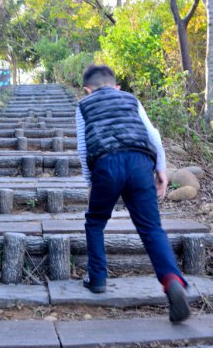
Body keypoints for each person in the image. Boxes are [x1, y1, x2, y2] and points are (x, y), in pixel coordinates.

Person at [76, 64, 190, 323]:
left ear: (87, 90)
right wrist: (161, 169)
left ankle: (97, 279)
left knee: (95, 222)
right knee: (151, 229)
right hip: (140, 163)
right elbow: (154, 135)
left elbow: (83, 147)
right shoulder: (131, 99)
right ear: (117, 86)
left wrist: (90, 182)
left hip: (106, 164)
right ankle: (172, 279)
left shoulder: (84, 105)